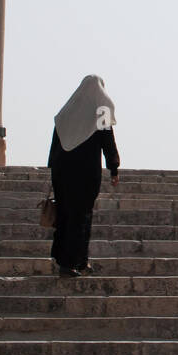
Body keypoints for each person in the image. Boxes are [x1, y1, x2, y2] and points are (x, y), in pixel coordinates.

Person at [47, 74, 120, 277]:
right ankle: (70, 263)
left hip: (62, 172)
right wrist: (113, 168)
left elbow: (55, 143)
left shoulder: (67, 110)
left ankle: (76, 261)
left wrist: (52, 169)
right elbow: (108, 140)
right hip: (86, 172)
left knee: (65, 213)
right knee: (81, 215)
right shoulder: (102, 108)